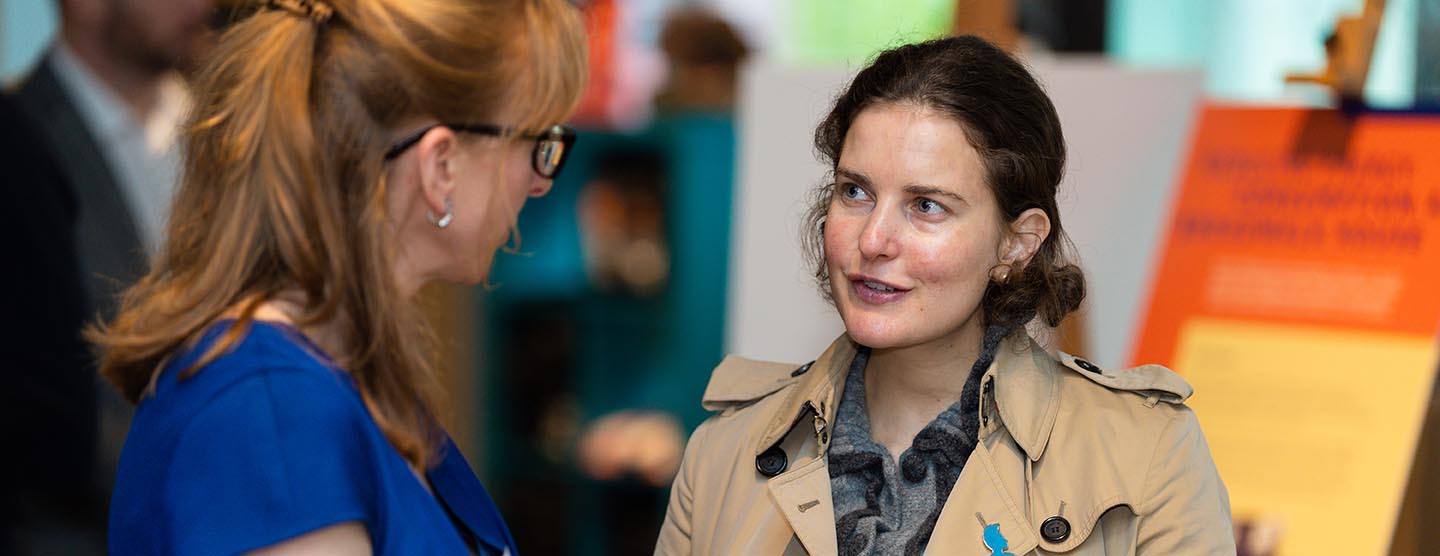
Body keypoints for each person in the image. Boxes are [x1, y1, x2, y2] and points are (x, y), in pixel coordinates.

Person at [655, 36, 1233, 555]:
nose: (873, 239)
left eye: (926, 205)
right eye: (855, 192)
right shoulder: (723, 454)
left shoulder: (1146, 454)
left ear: (1017, 243)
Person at [89, 0, 585, 553]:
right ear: (439, 166)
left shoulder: (337, 374)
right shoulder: (272, 409)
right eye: (537, 144)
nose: (541, 182)